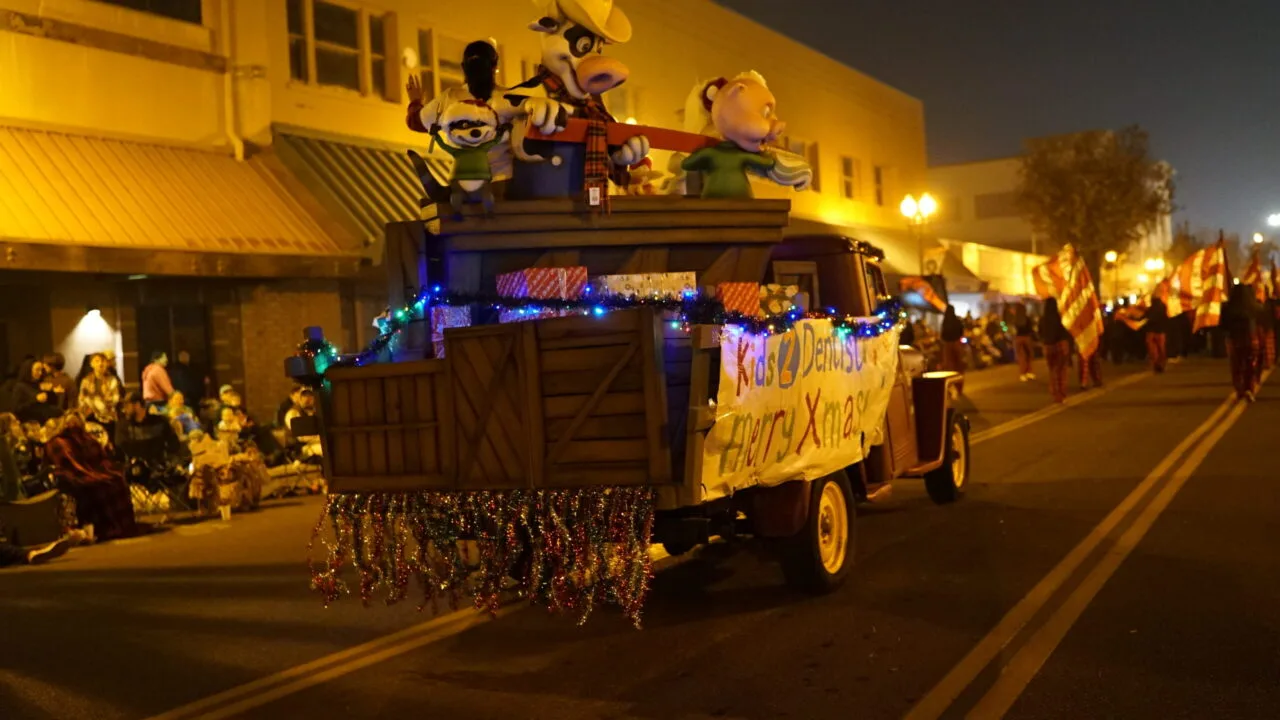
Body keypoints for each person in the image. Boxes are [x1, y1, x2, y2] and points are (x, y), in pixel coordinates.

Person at [45, 413, 139, 542]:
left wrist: (103, 469)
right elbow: (69, 463)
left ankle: (122, 525)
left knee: (117, 480)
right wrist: (87, 474)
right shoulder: (59, 442)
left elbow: (100, 457)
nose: (73, 425)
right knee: (100, 486)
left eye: (76, 422)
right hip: (75, 475)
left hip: (94, 471)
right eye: (71, 422)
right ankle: (107, 527)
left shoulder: (86, 438)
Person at [116, 391, 191, 490]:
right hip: (137, 471)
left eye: (127, 406)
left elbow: (174, 444)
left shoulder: (159, 421)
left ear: (137, 405)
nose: (125, 410)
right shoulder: (123, 426)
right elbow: (121, 447)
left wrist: (171, 460)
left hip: (160, 468)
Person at [1224, 283, 1259, 401]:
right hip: (1249, 340)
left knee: (1237, 366)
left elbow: (1224, 325)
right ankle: (1249, 388)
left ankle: (1239, 389)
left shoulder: (1228, 308)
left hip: (1234, 340)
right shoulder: (1252, 307)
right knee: (1249, 364)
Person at [78, 352, 122, 431]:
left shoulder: (112, 380)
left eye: (103, 361)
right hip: (91, 418)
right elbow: (82, 399)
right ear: (91, 364)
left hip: (109, 418)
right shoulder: (86, 381)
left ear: (107, 364)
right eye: (97, 361)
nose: (100, 364)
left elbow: (115, 398)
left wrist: (103, 402)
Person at [1040, 298, 1072, 404]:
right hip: (1060, 345)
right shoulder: (1060, 317)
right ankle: (1062, 393)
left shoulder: (1043, 320)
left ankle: (1055, 393)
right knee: (1062, 371)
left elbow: (1040, 333)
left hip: (1048, 346)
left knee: (1052, 371)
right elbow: (1065, 330)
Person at [10, 360, 62, 424]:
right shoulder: (20, 387)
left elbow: (50, 404)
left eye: (41, 370)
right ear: (28, 370)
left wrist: (51, 392)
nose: (40, 373)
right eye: (37, 370)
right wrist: (35, 399)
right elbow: (16, 409)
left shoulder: (39, 384)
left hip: (45, 420)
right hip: (30, 422)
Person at [283, 386, 323, 460]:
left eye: (310, 396)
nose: (308, 399)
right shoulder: (293, 413)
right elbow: (302, 438)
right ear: (300, 399)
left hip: (309, 444)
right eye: (305, 396)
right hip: (297, 449)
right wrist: (322, 438)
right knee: (325, 449)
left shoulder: (311, 411)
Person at [1144, 296, 1170, 373]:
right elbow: (1166, 319)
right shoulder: (1163, 309)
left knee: (1153, 350)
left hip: (1151, 332)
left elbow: (1146, 319)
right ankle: (1161, 364)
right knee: (1161, 349)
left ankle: (1156, 364)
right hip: (1161, 331)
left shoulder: (1150, 310)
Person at [1013, 303, 1037, 381]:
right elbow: (1031, 329)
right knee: (1029, 356)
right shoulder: (1027, 318)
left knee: (1021, 357)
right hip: (1027, 337)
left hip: (1018, 338)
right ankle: (1029, 372)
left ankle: (1022, 374)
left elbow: (1010, 328)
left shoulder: (1015, 319)